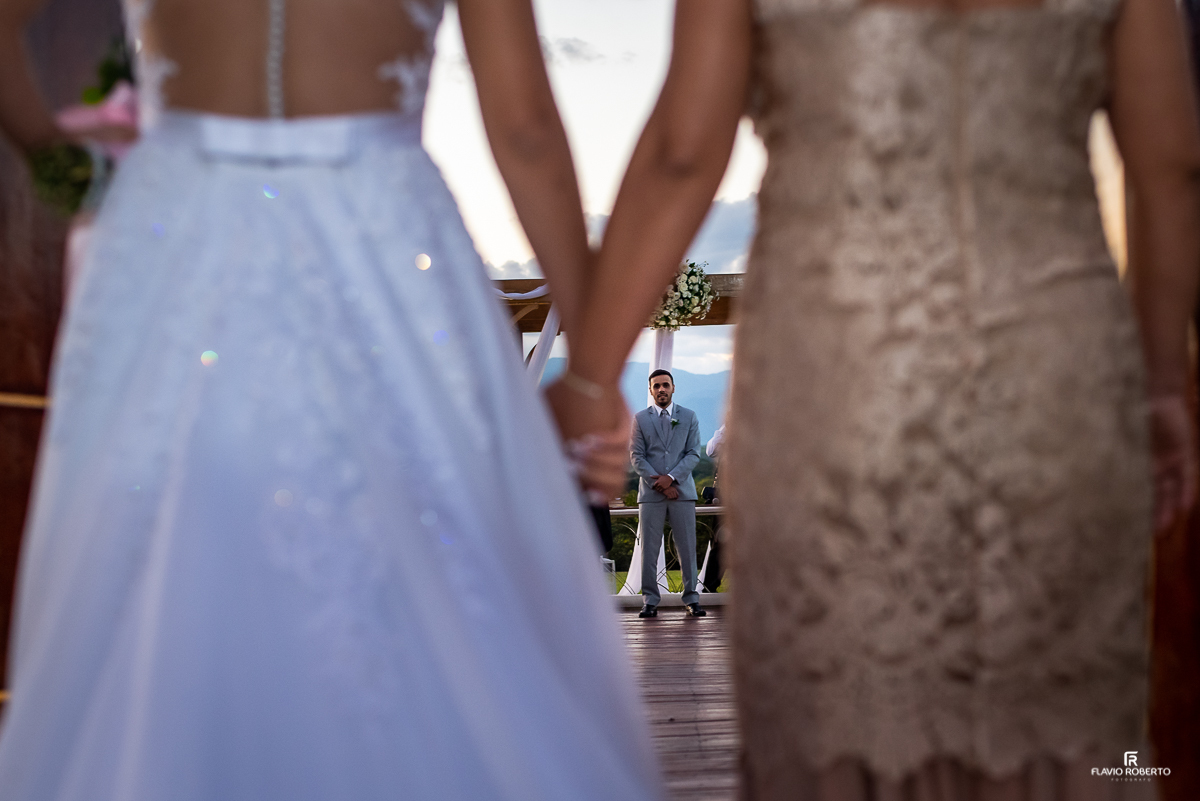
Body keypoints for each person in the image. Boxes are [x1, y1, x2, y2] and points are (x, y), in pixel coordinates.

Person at [0, 0, 661, 799]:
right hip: (383, 241)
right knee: (421, 581)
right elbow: (523, 128)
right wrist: (591, 373)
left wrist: (69, 164)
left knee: (157, 573)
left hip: (173, 235)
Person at [552, 0, 1200, 797]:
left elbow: (683, 153)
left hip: (837, 378)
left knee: (839, 706)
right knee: (1057, 707)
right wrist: (1162, 380)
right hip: (1054, 380)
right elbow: (1171, 167)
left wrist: (590, 378)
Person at [629, 370, 705, 618]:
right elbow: (636, 456)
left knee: (687, 548)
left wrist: (671, 478)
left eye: (665, 385)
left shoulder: (689, 416)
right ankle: (650, 601)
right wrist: (660, 484)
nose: (661, 389)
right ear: (650, 390)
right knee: (649, 550)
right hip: (651, 494)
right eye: (656, 386)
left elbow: (694, 453)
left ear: (673, 388)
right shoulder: (640, 419)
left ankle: (692, 599)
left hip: (682, 493)